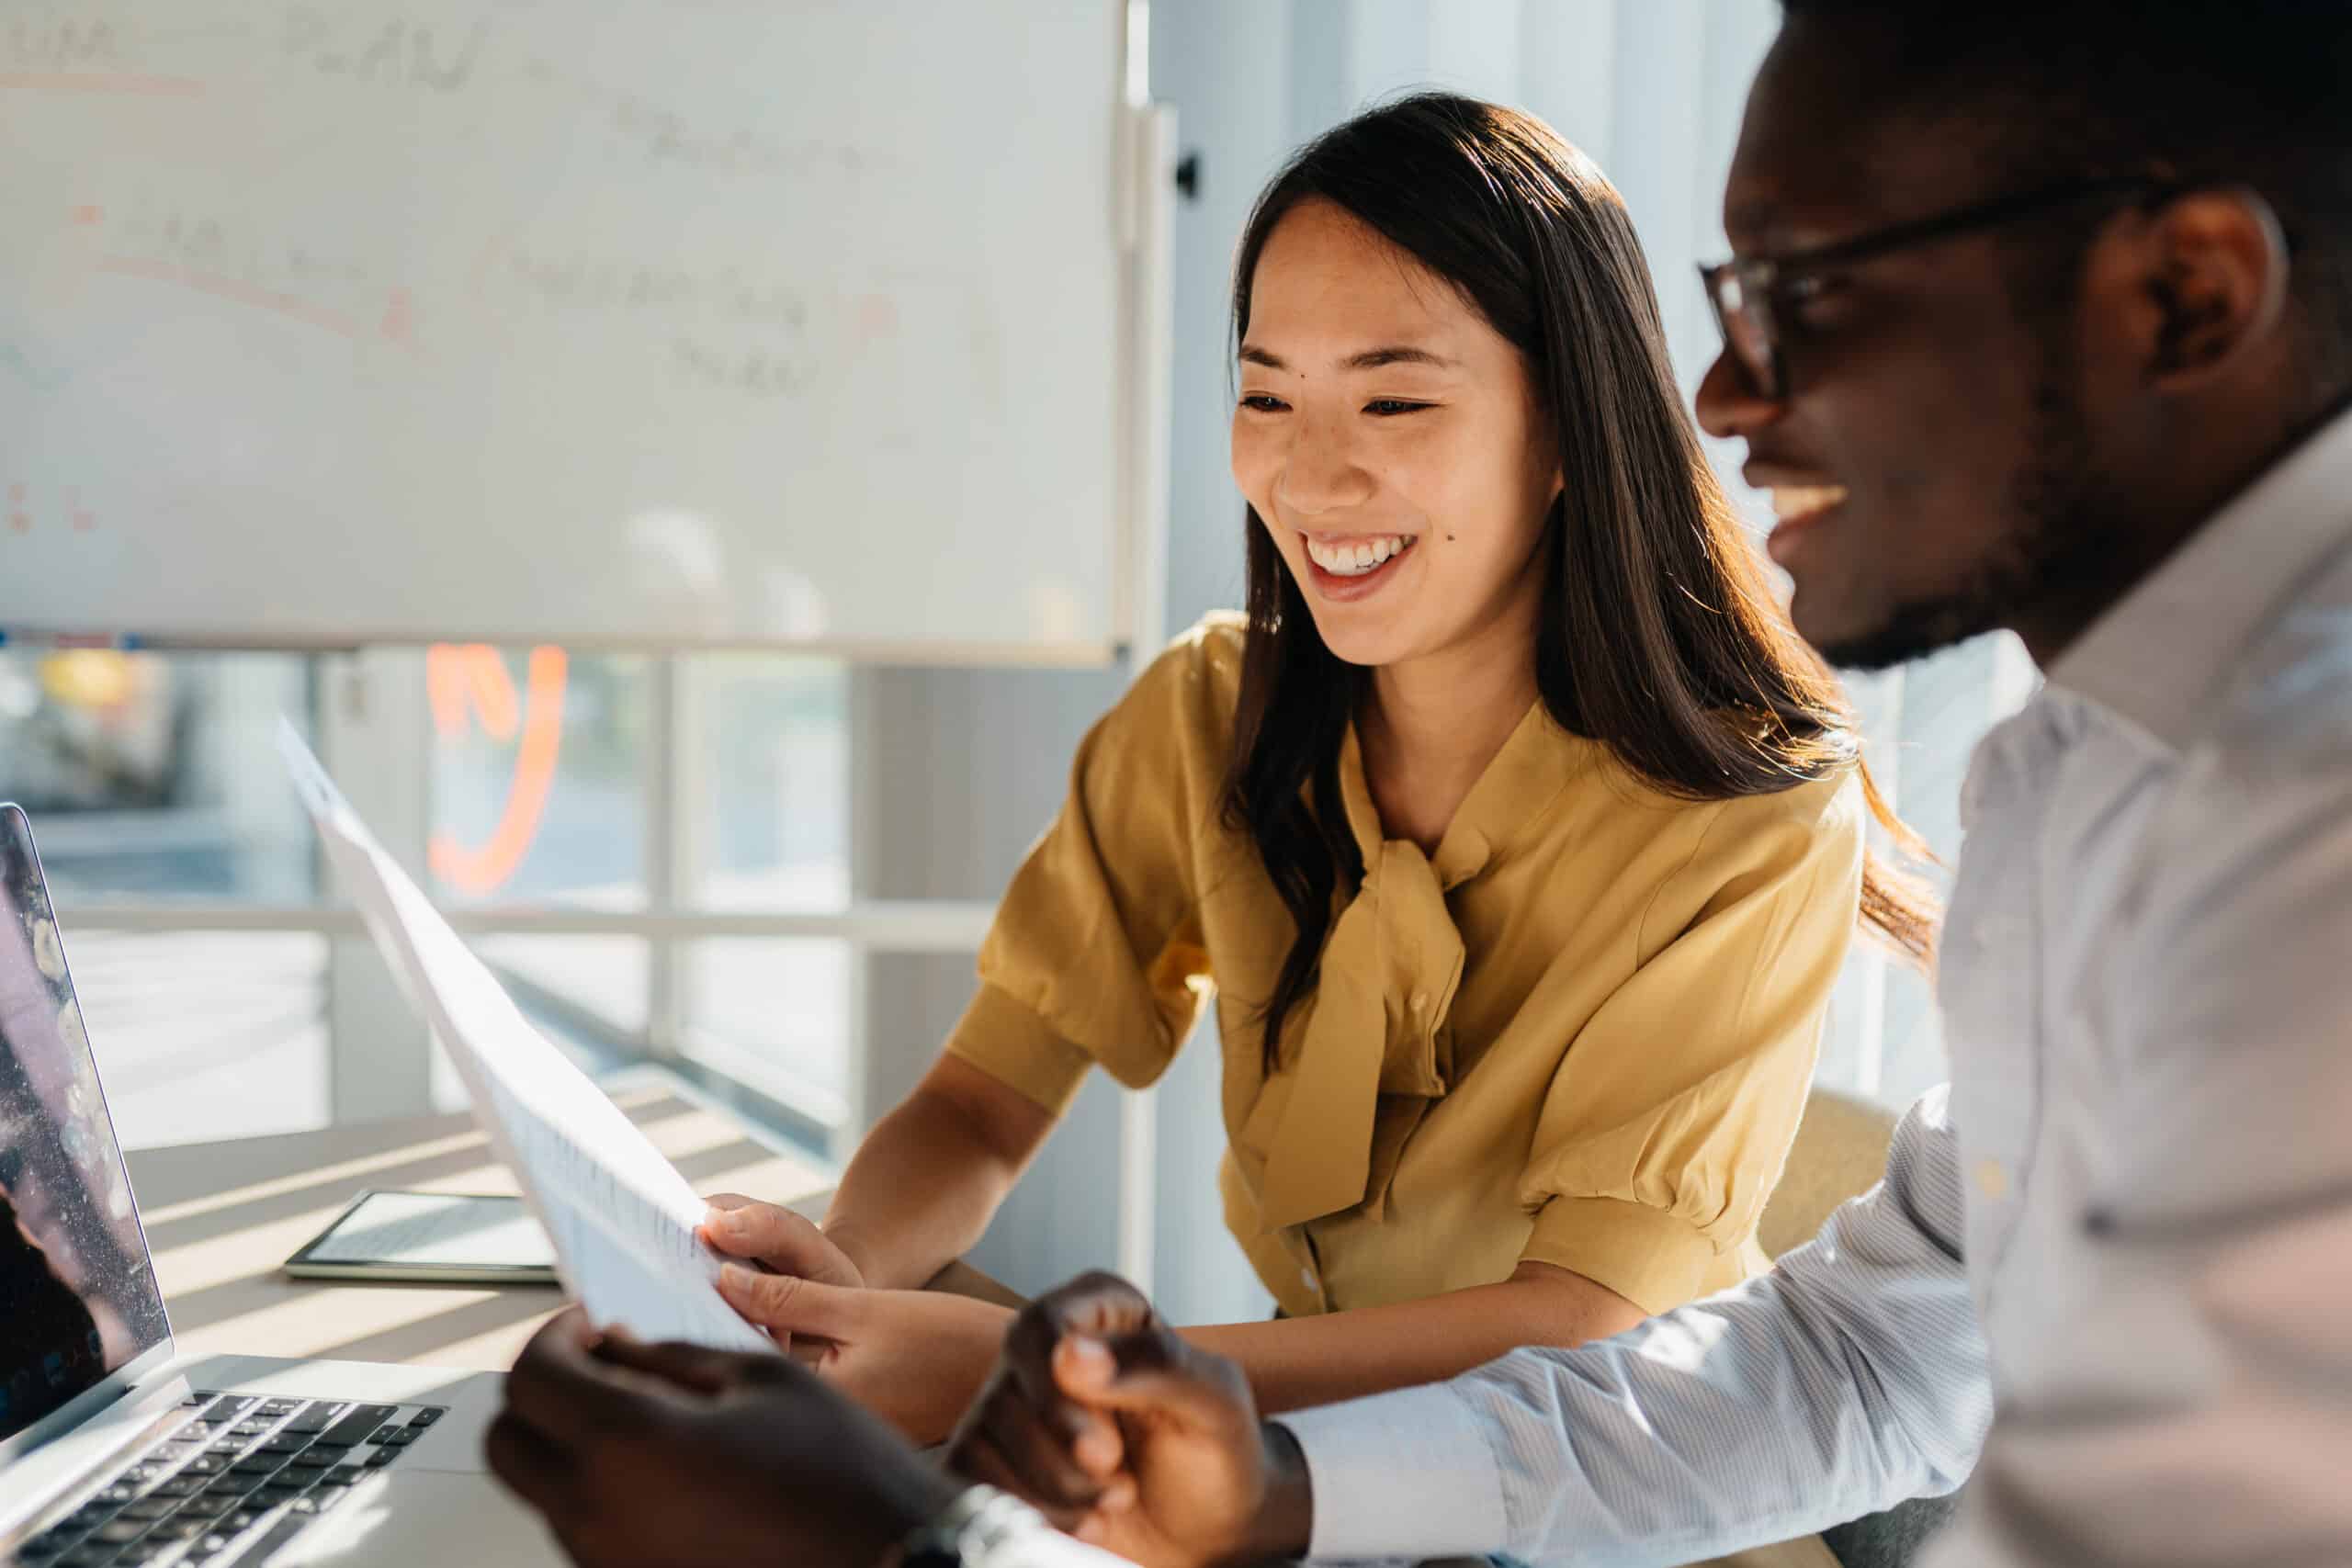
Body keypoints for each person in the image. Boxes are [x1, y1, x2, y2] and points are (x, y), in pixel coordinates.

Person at [483, 1, 2352, 1565]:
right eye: (1266, 388)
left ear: (2180, 293)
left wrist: (918, 1512)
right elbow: (1872, 1364)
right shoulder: (2076, 780)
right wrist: (1254, 1479)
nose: (1719, 394)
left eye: (1806, 290)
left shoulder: (2293, 865)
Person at [695, 90, 1931, 1459]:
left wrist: (1048, 1370)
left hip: (1612, 1514)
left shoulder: (1750, 817)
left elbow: (1577, 1326)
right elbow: (984, 1099)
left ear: (1574, 428)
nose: (1308, 472)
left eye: (1394, 398)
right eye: (1266, 393)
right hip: (1283, 1479)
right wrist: (843, 1272)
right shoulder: (1210, 711)